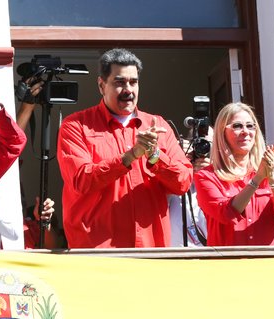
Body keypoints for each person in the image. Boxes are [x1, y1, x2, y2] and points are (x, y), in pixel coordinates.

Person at [57, 48, 192, 248]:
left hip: (150, 248)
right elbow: (81, 180)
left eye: (133, 82)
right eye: (119, 82)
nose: (128, 90)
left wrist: (155, 156)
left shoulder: (158, 125)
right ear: (101, 85)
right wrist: (129, 156)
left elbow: (183, 183)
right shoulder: (76, 125)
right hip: (98, 249)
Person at [194, 102, 274, 246]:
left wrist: (272, 178)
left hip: (269, 259)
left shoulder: (270, 168)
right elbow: (226, 214)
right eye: (237, 126)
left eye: (250, 126)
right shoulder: (206, 176)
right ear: (222, 132)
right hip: (229, 259)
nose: (245, 131)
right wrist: (258, 179)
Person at [169, 129, 212, 247]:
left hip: (211, 254)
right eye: (197, 145)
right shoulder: (174, 182)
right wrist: (176, 159)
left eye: (208, 145)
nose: (202, 150)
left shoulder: (225, 179)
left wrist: (212, 174)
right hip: (176, 253)